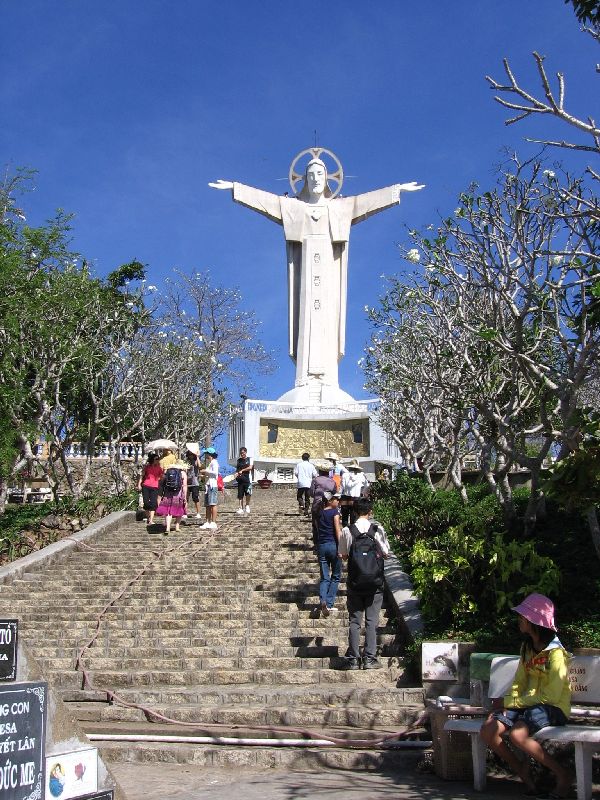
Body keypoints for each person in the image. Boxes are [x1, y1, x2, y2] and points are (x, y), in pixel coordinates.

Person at [209, 156, 423, 394]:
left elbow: (366, 202)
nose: (315, 179)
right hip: (305, 269)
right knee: (306, 319)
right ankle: (305, 379)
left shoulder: (340, 207)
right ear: (304, 180)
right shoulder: (294, 208)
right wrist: (236, 189)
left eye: (320, 174)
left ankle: (328, 380)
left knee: (327, 319)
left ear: (328, 178)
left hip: (329, 272)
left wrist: (396, 191)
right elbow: (266, 201)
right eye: (310, 175)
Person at [480, 593, 573, 798]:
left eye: (522, 617)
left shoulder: (556, 654)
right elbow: (519, 682)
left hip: (553, 707)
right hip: (527, 704)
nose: (519, 620)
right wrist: (507, 706)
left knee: (517, 735)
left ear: (533, 622)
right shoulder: (527, 648)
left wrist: (511, 702)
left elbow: (550, 695)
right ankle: (523, 772)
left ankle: (563, 775)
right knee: (488, 730)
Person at [338, 497, 391, 670]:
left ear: (354, 512)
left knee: (354, 621)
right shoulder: (377, 529)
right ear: (370, 512)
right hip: (375, 583)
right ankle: (369, 658)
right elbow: (386, 553)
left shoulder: (348, 530)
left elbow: (343, 555)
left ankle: (353, 658)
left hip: (355, 582)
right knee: (371, 621)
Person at [315, 491, 343, 617]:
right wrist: (342, 547)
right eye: (336, 499)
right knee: (336, 576)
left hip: (321, 546)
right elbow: (338, 530)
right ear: (330, 501)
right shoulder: (334, 512)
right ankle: (329, 603)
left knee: (324, 577)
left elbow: (316, 531)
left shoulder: (319, 513)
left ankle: (322, 601)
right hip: (333, 545)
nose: (338, 501)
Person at [156, 460, 188, 535]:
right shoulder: (183, 473)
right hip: (178, 494)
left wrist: (161, 495)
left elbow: (162, 484)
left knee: (168, 511)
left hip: (168, 494)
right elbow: (185, 486)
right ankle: (177, 526)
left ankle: (167, 528)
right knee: (179, 510)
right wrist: (185, 497)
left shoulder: (167, 472)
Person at [310, 460, 336, 548]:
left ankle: (317, 544)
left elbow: (311, 493)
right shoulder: (332, 482)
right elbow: (334, 492)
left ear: (320, 471)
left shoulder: (315, 480)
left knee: (316, 524)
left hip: (317, 505)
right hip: (329, 506)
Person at [137, 452, 163, 526]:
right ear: (152, 460)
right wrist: (139, 484)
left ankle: (151, 520)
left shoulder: (159, 468)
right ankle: (148, 517)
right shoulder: (147, 467)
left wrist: (160, 477)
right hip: (146, 486)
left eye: (158, 459)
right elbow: (142, 476)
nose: (158, 460)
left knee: (153, 503)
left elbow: (161, 476)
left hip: (155, 487)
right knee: (146, 503)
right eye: (156, 459)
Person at [339, 460, 369, 527]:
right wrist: (362, 492)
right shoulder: (362, 476)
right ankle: (353, 533)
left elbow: (342, 487)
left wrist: (339, 496)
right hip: (356, 498)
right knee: (354, 517)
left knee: (344, 518)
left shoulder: (345, 475)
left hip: (345, 499)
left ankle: (345, 533)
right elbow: (366, 485)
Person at [199, 447, 219, 530]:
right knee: (207, 505)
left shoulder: (214, 462)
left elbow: (215, 473)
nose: (205, 455)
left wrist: (205, 471)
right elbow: (210, 474)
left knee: (212, 504)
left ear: (210, 454)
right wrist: (203, 475)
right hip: (208, 485)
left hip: (212, 485)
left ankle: (213, 522)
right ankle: (207, 521)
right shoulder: (210, 463)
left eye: (206, 453)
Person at [183, 443, 202, 520]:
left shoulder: (195, 461)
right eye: (189, 454)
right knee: (185, 498)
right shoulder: (187, 462)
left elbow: (200, 466)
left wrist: (197, 456)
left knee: (195, 498)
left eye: (192, 454)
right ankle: (184, 512)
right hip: (187, 483)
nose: (190, 456)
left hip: (195, 483)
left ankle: (198, 513)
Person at [235, 446, 253, 514]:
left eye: (243, 453)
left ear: (245, 452)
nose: (242, 454)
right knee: (240, 494)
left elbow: (250, 467)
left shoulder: (249, 459)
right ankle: (240, 508)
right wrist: (236, 474)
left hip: (248, 479)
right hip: (240, 480)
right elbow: (237, 470)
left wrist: (242, 470)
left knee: (248, 493)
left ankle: (247, 505)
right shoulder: (239, 461)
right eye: (241, 453)